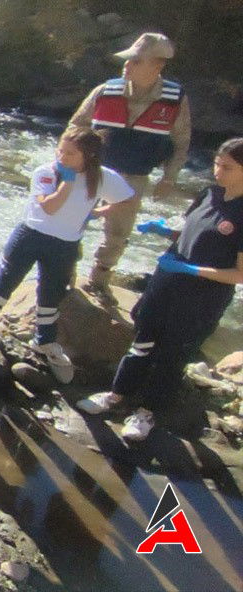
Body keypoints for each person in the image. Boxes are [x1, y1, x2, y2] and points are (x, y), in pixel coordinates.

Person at [77, 138, 243, 442]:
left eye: (227, 167)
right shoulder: (209, 193)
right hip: (167, 280)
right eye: (217, 163)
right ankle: (116, 394)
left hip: (202, 296)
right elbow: (192, 228)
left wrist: (193, 270)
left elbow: (239, 274)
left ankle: (147, 413)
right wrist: (164, 230)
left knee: (172, 354)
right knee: (142, 340)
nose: (217, 171)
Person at [0, 128, 135, 382]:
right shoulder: (46, 172)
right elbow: (51, 207)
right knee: (5, 285)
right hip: (30, 237)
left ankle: (44, 341)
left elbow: (128, 199)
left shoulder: (101, 177)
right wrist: (67, 181)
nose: (62, 156)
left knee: (51, 294)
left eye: (69, 153)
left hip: (64, 244)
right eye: (60, 150)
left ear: (87, 155)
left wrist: (98, 211)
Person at [67, 32, 191, 297]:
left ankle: (99, 279)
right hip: (92, 170)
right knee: (73, 219)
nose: (126, 65)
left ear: (157, 66)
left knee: (118, 232)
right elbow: (76, 126)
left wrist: (169, 177)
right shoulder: (105, 90)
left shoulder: (174, 99)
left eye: (135, 61)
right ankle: (66, 273)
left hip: (135, 174)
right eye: (128, 60)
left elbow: (181, 141)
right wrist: (67, 162)